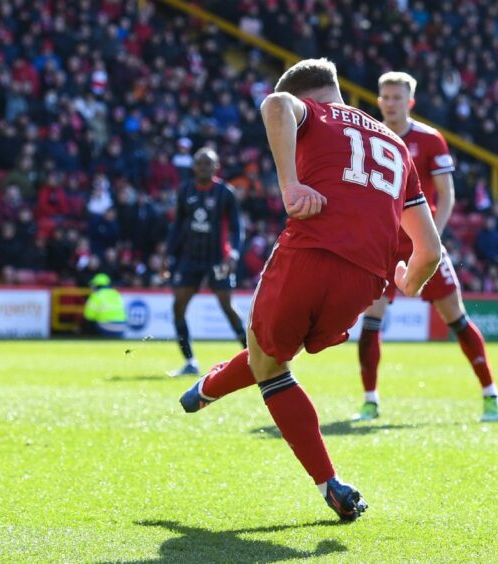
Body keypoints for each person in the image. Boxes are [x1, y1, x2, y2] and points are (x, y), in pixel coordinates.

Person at [178, 59, 441, 521]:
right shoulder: (398, 147)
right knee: (272, 356)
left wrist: (290, 184)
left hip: (312, 252)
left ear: (310, 96)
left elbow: (275, 104)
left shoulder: (312, 112)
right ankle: (207, 389)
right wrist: (409, 281)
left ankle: (329, 483)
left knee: (269, 364)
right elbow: (430, 251)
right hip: (366, 281)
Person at [354, 72, 498, 423]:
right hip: (385, 246)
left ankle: (490, 394)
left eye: (396, 97)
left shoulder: (430, 140)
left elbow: (447, 195)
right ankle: (370, 400)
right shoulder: (369, 137)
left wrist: (431, 238)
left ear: (410, 102)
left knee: (456, 318)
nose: (390, 102)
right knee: (371, 321)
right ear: (378, 101)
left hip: (423, 242)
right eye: (385, 97)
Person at [164, 147, 246, 376]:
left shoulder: (225, 193)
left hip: (218, 258)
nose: (203, 167)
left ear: (216, 166)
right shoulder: (185, 190)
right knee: (178, 306)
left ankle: (252, 356)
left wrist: (235, 254)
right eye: (199, 163)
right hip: (191, 258)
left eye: (207, 163)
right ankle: (190, 362)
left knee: (227, 307)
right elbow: (177, 226)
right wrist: (167, 255)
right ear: (193, 166)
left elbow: (238, 228)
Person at [81, 273, 127, 338]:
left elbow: (89, 316)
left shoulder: (97, 295)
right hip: (121, 327)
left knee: (88, 324)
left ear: (96, 285)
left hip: (105, 328)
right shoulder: (116, 293)